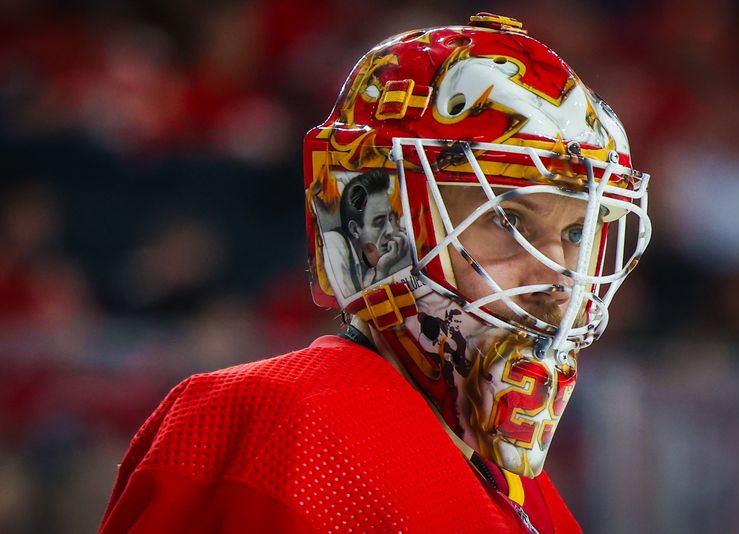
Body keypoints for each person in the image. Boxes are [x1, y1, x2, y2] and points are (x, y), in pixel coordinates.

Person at [100, 12, 652, 533]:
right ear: (373, 223)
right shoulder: (276, 424)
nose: (560, 279)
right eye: (509, 219)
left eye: (577, 233)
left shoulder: (518, 487)